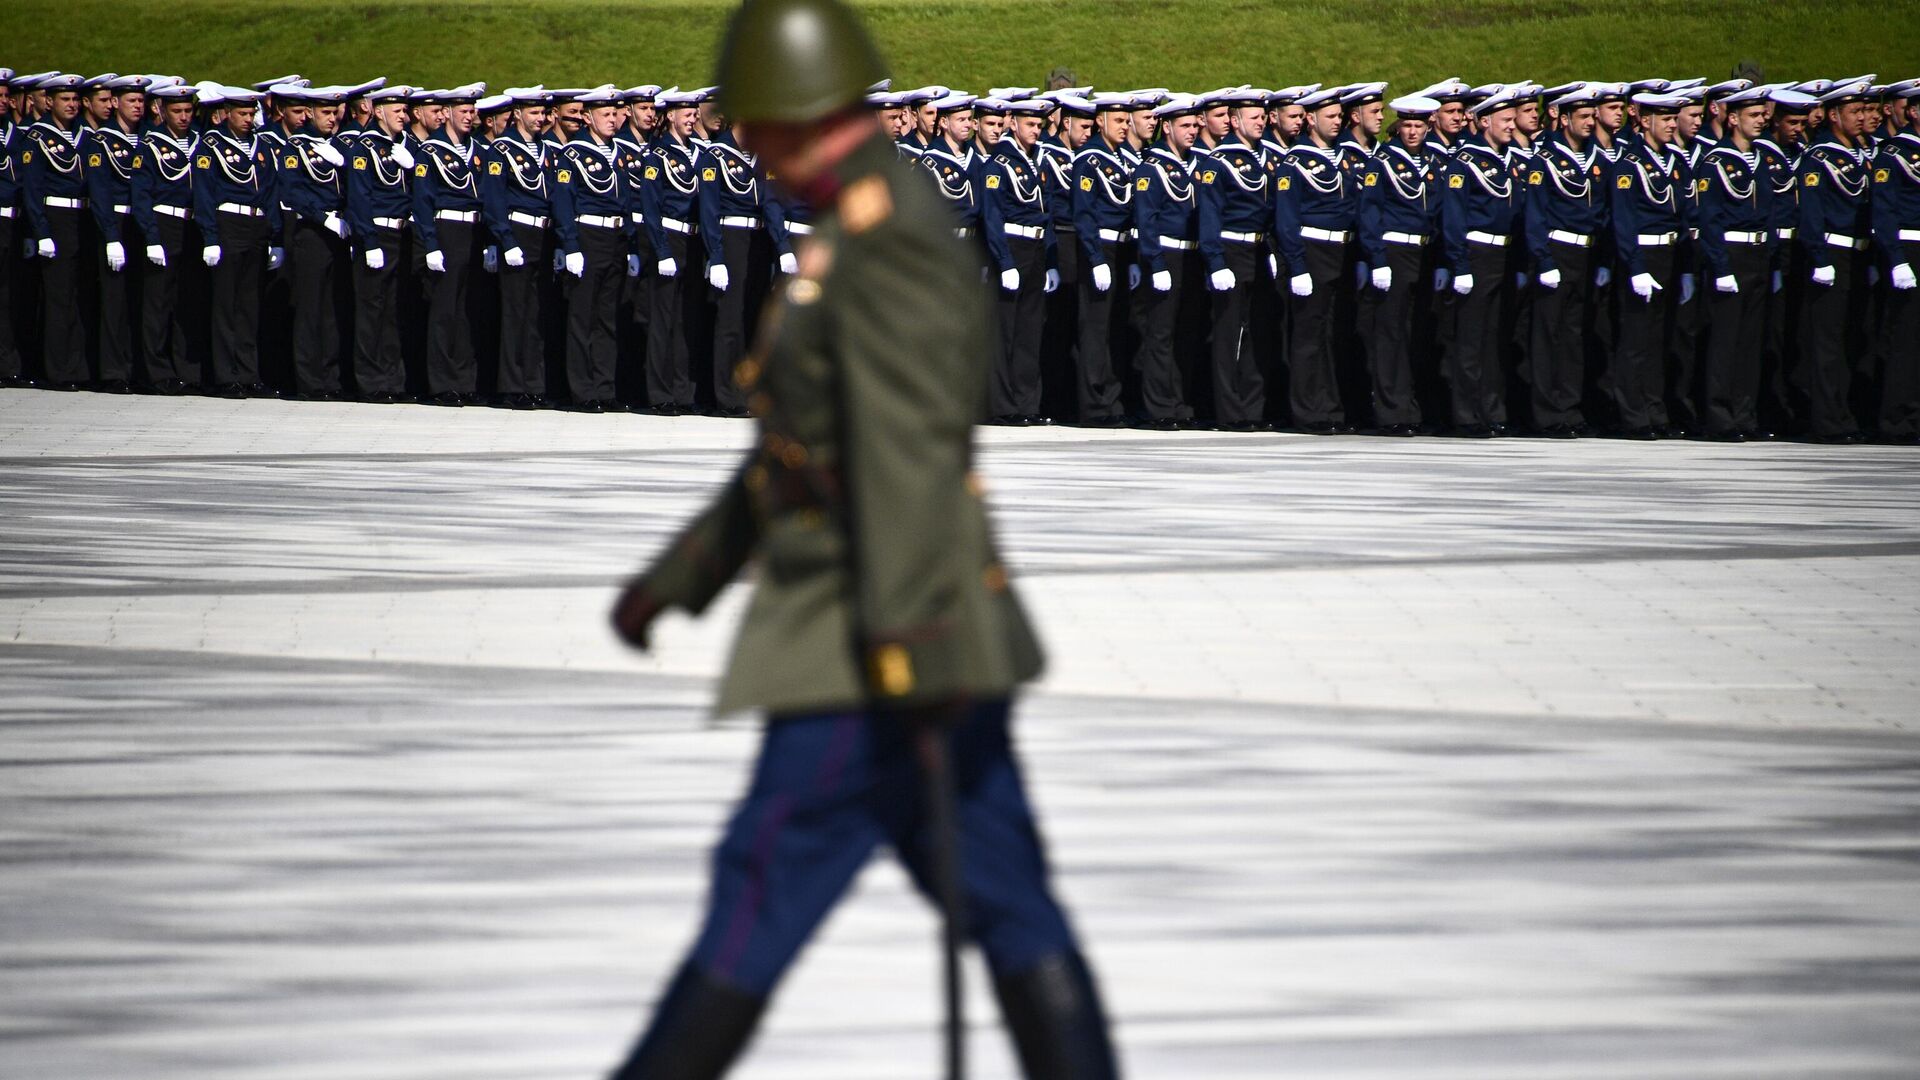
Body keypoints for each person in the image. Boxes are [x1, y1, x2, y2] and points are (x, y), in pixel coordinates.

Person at [606, 2, 1121, 1078]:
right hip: (921, 640)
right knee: (1011, 901)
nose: (743, 146)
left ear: (798, 114)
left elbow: (908, 463)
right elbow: (797, 452)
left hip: (871, 648)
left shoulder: (885, 240)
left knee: (758, 888)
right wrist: (680, 578)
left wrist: (907, 641)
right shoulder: (852, 224)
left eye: (753, 125)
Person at [1605, 91, 1693, 440]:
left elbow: (1684, 218)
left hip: (1669, 255)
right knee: (1636, 340)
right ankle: (1633, 415)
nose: (1673, 124)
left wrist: (1685, 268)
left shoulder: (1676, 161)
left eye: (1675, 118)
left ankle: (1655, 410)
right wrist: (1636, 267)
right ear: (1644, 121)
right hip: (1641, 256)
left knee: (1660, 340)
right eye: (1666, 118)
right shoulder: (1628, 165)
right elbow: (1623, 222)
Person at [1272, 85, 1359, 433]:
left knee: (1332, 335)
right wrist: (1297, 264)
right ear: (1310, 119)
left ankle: (1331, 408)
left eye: (1339, 116)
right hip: (1312, 251)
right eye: (1331, 117)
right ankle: (1308, 411)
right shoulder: (1294, 163)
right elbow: (1286, 219)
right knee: (1308, 336)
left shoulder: (1344, 159)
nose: (1338, 122)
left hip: (1341, 250)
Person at [1438, 87, 1525, 437]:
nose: (1511, 125)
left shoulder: (1510, 159)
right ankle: (1466, 414)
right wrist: (1459, 264)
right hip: (1476, 253)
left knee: (1494, 339)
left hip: (1502, 254)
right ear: (1484, 121)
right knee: (1470, 340)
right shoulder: (1465, 161)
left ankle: (1492, 409)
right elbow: (1454, 219)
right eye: (1505, 120)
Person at [1794, 78, 1877, 443]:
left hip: (1858, 253)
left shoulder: (1861, 154)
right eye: (1853, 111)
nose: (1861, 117)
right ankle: (1827, 421)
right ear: (1833, 115)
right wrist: (1818, 257)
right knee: (1826, 344)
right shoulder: (1819, 156)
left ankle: (1845, 415)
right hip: (1832, 253)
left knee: (1850, 339)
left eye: (1863, 110)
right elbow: (1811, 214)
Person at [1523, 85, 1608, 437]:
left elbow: (1603, 214)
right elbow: (1535, 216)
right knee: (1547, 336)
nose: (1590, 122)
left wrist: (1602, 259)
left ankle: (1570, 409)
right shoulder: (1543, 161)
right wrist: (1543, 261)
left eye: (1592, 116)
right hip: (1555, 251)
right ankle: (1547, 413)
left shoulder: (1599, 160)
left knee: (1573, 336)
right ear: (1564, 118)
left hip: (1584, 253)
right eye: (1583, 117)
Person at [1355, 93, 1442, 436]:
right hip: (1392, 252)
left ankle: (1411, 407)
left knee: (1415, 334)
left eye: (1418, 125)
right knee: (1390, 334)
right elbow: (1370, 213)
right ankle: (1391, 411)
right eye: (1406, 125)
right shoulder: (1382, 163)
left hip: (1423, 253)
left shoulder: (1435, 162)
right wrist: (1377, 258)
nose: (1411, 132)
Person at [1693, 86, 1777, 441]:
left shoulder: (1761, 159)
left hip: (1757, 255)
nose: (1761, 121)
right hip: (1731, 255)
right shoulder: (1715, 162)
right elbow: (1708, 220)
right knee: (1725, 341)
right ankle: (1720, 416)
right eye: (1753, 116)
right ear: (1732, 119)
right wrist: (1721, 266)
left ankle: (1745, 415)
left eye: (1762, 115)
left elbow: (1771, 213)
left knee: (1749, 342)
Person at [551, 85, 640, 412]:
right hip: (587, 237)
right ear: (587, 117)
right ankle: (582, 390)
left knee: (607, 319)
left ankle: (605, 388)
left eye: (616, 114)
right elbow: (563, 202)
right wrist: (570, 245)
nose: (613, 120)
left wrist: (631, 245)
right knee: (582, 317)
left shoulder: (620, 153)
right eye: (605, 114)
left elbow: (626, 203)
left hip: (615, 240)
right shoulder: (572, 154)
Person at [193, 85, 285, 398]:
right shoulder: (211, 144)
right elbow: (204, 193)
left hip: (256, 224)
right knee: (226, 304)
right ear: (227, 114)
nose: (248, 119)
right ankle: (225, 375)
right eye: (242, 114)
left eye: (251, 113)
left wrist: (276, 235)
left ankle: (248, 373)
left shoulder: (261, 145)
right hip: (228, 223)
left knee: (249, 304)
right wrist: (210, 236)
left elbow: (271, 192)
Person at [696, 101, 786, 417]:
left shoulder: (761, 157)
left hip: (758, 241)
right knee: (730, 321)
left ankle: (750, 391)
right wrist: (716, 256)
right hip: (730, 239)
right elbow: (709, 212)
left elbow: (772, 204)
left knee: (754, 319)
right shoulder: (715, 156)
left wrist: (782, 248)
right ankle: (727, 395)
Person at [1195, 86, 1273, 430]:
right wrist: (1215, 261)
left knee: (1257, 333)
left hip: (1258, 250)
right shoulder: (1219, 162)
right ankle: (1229, 410)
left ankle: (1252, 408)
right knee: (1228, 335)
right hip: (1230, 249)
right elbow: (1209, 215)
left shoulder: (1266, 157)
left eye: (1263, 116)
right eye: (1254, 117)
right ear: (1235, 120)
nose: (1262, 122)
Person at [1131, 93, 1206, 430]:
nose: (1192, 131)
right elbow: (1146, 220)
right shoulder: (1152, 167)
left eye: (1194, 124)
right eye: (1185, 125)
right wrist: (1155, 262)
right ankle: (1158, 406)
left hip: (1191, 255)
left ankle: (1179, 402)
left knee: (1186, 333)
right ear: (1167, 126)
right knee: (1160, 334)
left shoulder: (1196, 163)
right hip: (1165, 256)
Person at [982, 97, 1058, 425]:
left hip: (1036, 249)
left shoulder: (1035, 162)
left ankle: (1027, 404)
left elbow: (1047, 213)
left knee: (1030, 331)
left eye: (1039, 126)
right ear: (1012, 123)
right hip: (1012, 247)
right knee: (1004, 332)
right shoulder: (998, 164)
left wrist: (1052, 261)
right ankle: (1002, 406)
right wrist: (1004, 261)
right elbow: (991, 216)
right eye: (1030, 125)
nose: (1036, 131)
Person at [411, 83, 487, 406]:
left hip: (472, 231)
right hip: (445, 230)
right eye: (464, 111)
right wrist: (430, 244)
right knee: (444, 310)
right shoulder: (430, 152)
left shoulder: (478, 151)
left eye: (472, 111)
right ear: (448, 113)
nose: (470, 117)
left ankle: (464, 380)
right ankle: (442, 383)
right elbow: (422, 202)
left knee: (467, 309)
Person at [478, 86, 555, 409]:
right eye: (533, 113)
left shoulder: (546, 149)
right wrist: (505, 240)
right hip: (518, 231)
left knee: (537, 313)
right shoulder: (502, 150)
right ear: (518, 114)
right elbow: (493, 200)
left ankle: (533, 384)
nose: (540, 119)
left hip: (543, 235)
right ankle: (511, 386)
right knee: (515, 312)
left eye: (542, 113)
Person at [277, 86, 353, 400]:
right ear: (309, 113)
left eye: (335, 113)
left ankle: (330, 378)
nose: (332, 119)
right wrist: (324, 218)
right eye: (325, 113)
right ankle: (309, 380)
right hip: (311, 232)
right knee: (310, 308)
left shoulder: (340, 146)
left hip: (340, 230)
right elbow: (292, 193)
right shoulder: (296, 147)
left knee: (331, 309)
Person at [1069, 92, 1138, 426]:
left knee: (1116, 328)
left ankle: (1111, 400)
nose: (1125, 126)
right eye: (1120, 120)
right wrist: (1096, 258)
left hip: (1123, 249)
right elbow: (1084, 214)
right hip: (1101, 249)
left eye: (1127, 121)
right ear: (1101, 121)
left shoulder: (1123, 157)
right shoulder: (1089, 159)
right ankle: (1093, 405)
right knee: (1095, 329)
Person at [18, 74, 91, 390]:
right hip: (56, 218)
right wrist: (42, 231)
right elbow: (32, 191)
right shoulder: (37, 137)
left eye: (75, 99)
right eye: (65, 99)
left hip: (81, 218)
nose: (72, 105)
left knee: (78, 296)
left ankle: (77, 367)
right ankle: (58, 371)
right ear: (49, 102)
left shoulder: (84, 136)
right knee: (58, 298)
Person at [344, 84, 416, 403]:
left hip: (399, 234)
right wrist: (369, 241)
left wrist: (413, 168)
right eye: (397, 111)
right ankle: (370, 381)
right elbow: (359, 199)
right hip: (376, 235)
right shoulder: (364, 148)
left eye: (405, 110)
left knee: (392, 310)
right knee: (372, 310)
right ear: (378, 111)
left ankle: (392, 379)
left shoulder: (402, 147)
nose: (404, 116)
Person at [638, 86, 706, 414]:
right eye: (686, 114)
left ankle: (682, 391)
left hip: (693, 241)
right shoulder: (657, 156)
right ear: (671, 117)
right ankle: (659, 393)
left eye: (694, 113)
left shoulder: (698, 153)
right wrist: (662, 250)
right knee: (663, 319)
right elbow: (650, 209)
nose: (692, 119)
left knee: (686, 320)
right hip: (670, 238)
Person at [80, 74, 148, 393]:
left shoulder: (145, 139)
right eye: (131, 101)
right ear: (115, 103)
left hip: (141, 223)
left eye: (141, 101)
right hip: (116, 223)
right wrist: (110, 236)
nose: (138, 106)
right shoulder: (100, 141)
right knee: (114, 300)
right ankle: (113, 371)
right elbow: (101, 191)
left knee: (139, 298)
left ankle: (135, 368)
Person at [1870, 78, 1920, 444]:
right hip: (1909, 249)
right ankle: (1896, 419)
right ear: (1914, 112)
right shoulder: (1894, 153)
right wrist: (1896, 260)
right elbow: (1883, 213)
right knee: (1906, 340)